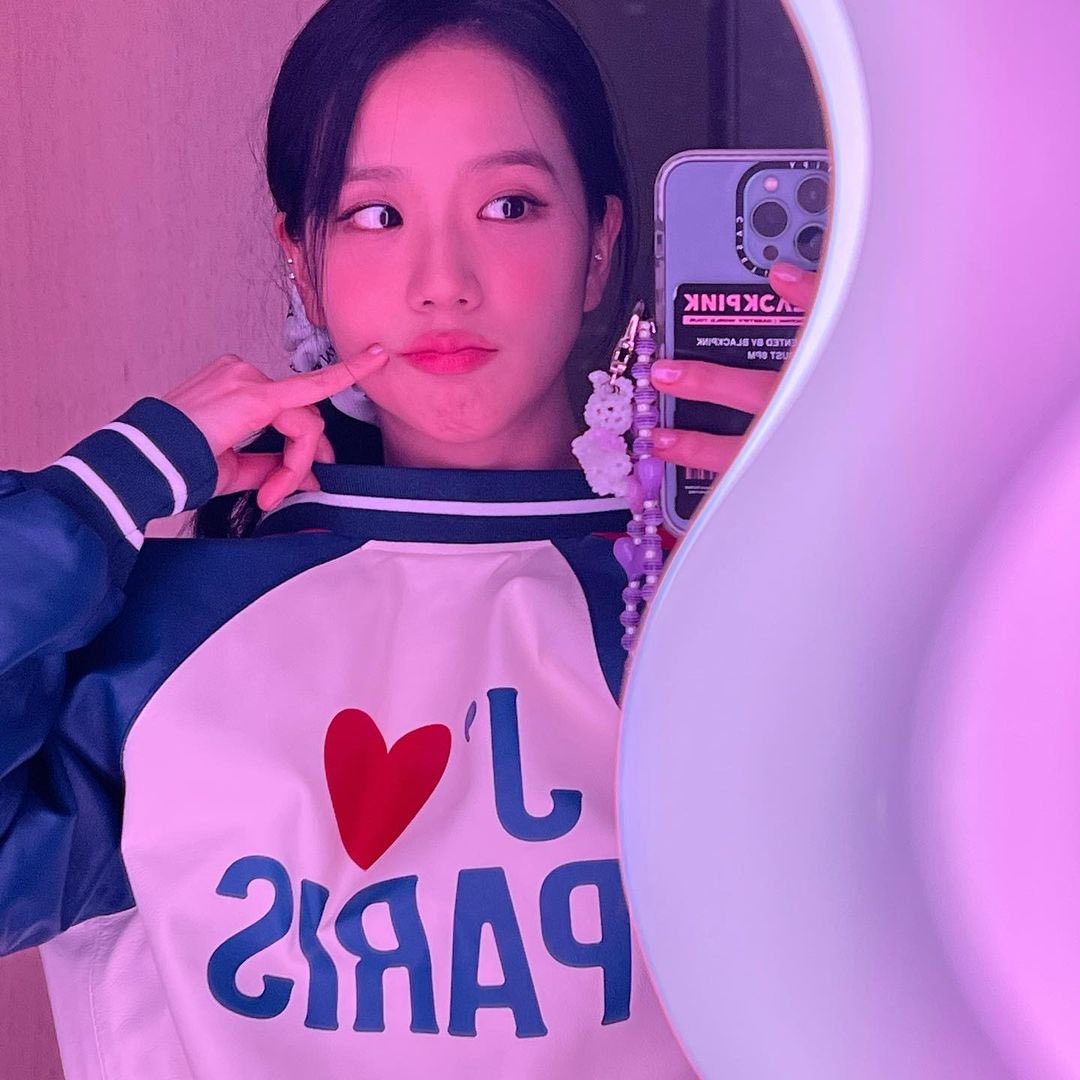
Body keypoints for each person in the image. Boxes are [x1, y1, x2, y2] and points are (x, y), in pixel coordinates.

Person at [0, 1, 815, 1076]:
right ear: (302, 262)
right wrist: (110, 480)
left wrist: (891, 515)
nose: (444, 281)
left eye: (510, 205)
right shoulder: (162, 639)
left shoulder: (743, 604)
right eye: (377, 215)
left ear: (599, 248)